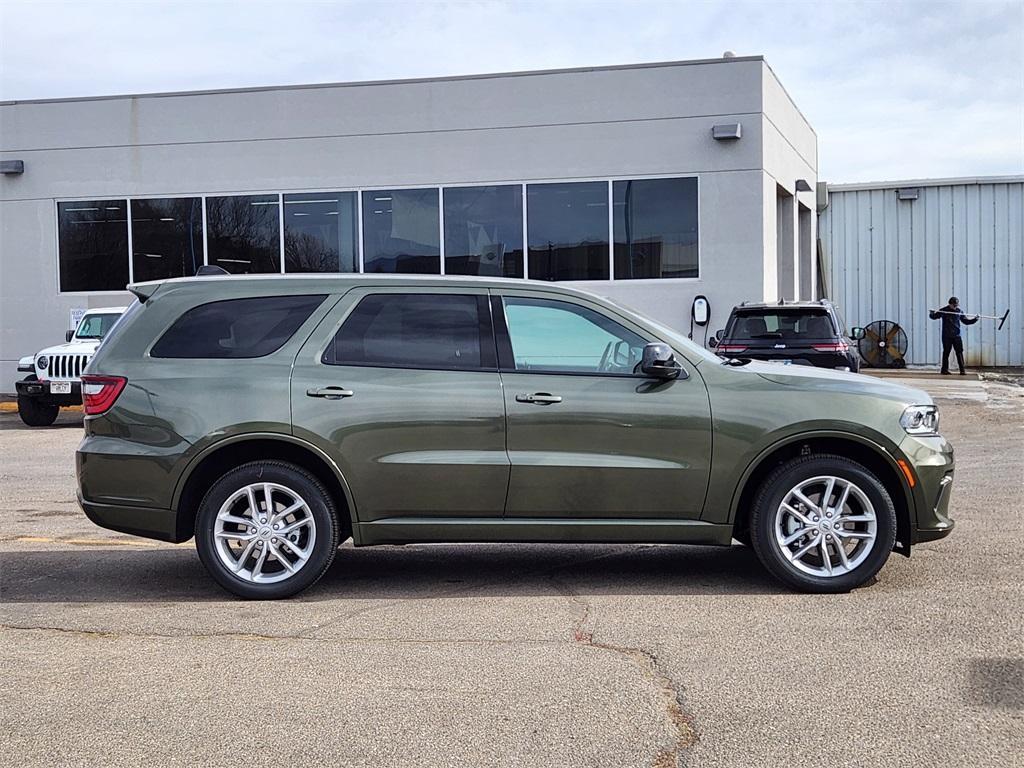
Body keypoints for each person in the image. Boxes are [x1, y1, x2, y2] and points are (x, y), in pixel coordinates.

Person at [929, 297, 978, 375]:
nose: (955, 307)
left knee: (959, 352)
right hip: (946, 336)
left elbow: (966, 321)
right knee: (946, 352)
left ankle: (962, 370)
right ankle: (944, 370)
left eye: (956, 305)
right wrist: (931, 314)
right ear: (950, 304)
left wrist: (975, 319)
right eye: (954, 305)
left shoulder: (959, 311)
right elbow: (934, 317)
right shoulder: (944, 310)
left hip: (956, 336)